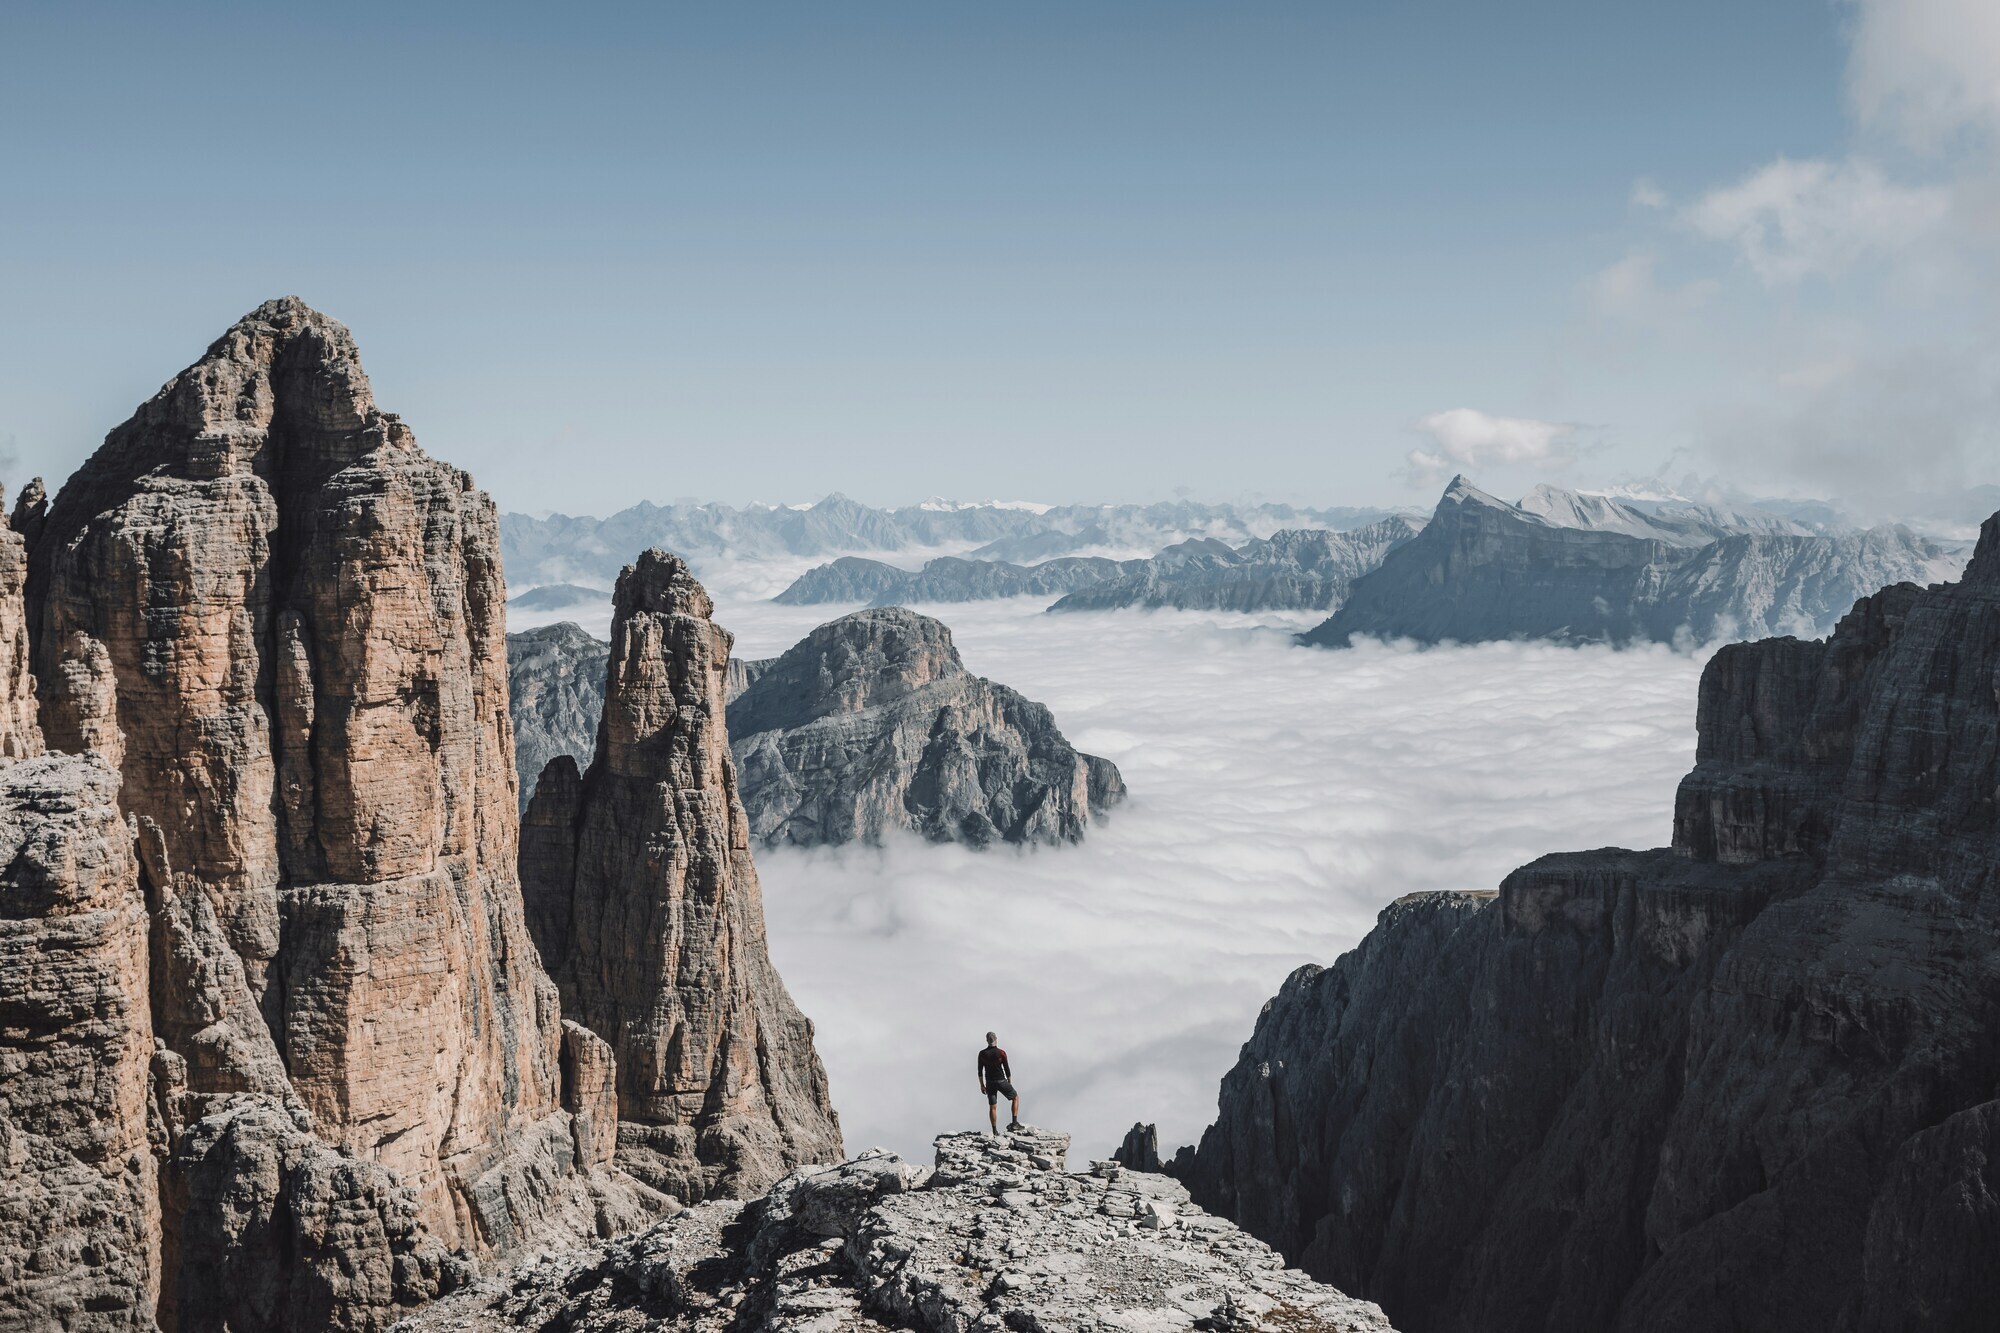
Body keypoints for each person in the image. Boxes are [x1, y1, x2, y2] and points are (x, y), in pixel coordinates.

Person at [977, 1031, 1022, 1133]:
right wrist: (1009, 1082)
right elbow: (1007, 1069)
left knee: (992, 1107)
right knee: (1015, 1097)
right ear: (996, 1039)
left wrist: (982, 1085)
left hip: (989, 1083)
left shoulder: (982, 1054)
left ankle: (994, 1131)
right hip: (1001, 1081)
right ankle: (1014, 1123)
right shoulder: (1001, 1053)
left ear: (987, 1041)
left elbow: (980, 1071)